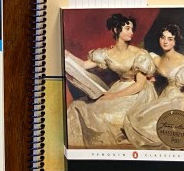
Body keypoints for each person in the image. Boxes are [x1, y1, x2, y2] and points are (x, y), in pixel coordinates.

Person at [66, 14, 158, 148]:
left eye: (132, 29)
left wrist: (113, 96)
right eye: (127, 28)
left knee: (106, 115)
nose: (131, 32)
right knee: (79, 106)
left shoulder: (140, 54)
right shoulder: (107, 54)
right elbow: (84, 65)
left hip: (137, 93)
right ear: (116, 30)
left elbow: (139, 85)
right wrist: (67, 55)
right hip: (119, 87)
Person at [123, 24, 184, 149]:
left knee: (156, 126)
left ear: (175, 42)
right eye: (162, 37)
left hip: (183, 99)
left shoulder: (183, 62)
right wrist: (149, 77)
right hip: (168, 95)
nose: (165, 42)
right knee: (138, 118)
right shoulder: (157, 59)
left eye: (170, 39)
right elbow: (141, 62)